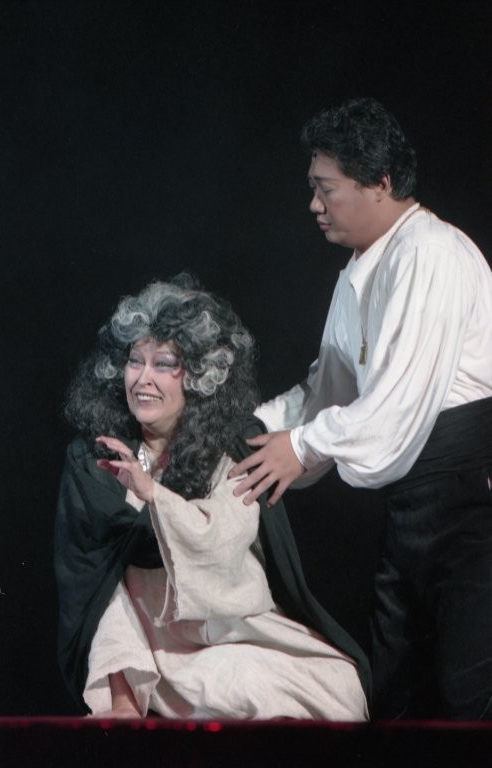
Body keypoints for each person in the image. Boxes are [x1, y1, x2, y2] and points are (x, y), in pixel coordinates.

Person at [229, 97, 492, 719]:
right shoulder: (361, 268)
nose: (314, 205)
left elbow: (397, 404)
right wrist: (247, 431)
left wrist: (302, 446)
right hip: (410, 508)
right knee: (398, 690)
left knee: (468, 693)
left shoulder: (430, 251)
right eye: (313, 188)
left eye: (327, 189)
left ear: (381, 183)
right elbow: (329, 387)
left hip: (467, 503)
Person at [54, 273, 369, 720]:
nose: (143, 379)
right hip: (152, 653)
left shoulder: (230, 448)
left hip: (230, 634)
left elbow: (224, 536)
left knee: (340, 688)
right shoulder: (95, 458)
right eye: (134, 361)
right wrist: (123, 696)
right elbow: (92, 583)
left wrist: (153, 496)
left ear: (200, 376)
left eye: (164, 364)